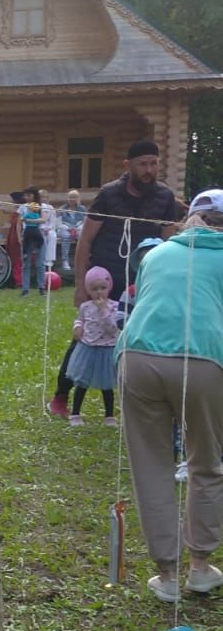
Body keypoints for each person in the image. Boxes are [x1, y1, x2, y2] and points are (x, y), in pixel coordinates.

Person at [117, 189, 223, 602]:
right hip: (203, 360)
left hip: (137, 356)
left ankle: (168, 574)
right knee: (206, 461)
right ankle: (200, 567)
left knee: (152, 466)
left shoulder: (158, 254)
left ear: (191, 218)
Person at [49, 141, 182, 417]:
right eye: (143, 164)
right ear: (128, 166)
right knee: (86, 337)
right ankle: (61, 396)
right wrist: (80, 286)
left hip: (142, 280)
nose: (149, 170)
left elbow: (168, 242)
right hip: (103, 281)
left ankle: (140, 403)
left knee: (143, 340)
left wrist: (164, 282)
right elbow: (85, 241)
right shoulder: (109, 195)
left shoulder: (165, 197)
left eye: (153, 163)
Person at [67, 266, 119, 427]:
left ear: (109, 288)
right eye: (94, 289)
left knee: (107, 385)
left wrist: (103, 310)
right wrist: (77, 327)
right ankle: (75, 413)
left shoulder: (114, 307)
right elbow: (80, 319)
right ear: (88, 290)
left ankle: (109, 415)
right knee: (81, 382)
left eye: (103, 288)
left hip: (107, 349)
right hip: (87, 348)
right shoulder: (86, 306)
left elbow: (112, 328)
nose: (99, 292)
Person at [18, 188, 45, 295]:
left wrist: (29, 220)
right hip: (27, 235)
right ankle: (25, 289)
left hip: (38, 234)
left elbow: (43, 219)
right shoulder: (22, 208)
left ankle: (41, 287)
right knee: (26, 264)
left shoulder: (40, 206)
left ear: (34, 196)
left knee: (40, 264)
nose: (26, 198)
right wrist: (19, 236)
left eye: (29, 195)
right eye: (25, 196)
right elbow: (19, 223)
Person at [56, 190, 85, 269]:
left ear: (78, 198)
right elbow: (58, 222)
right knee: (66, 236)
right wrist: (69, 227)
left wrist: (77, 227)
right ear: (67, 198)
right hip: (65, 229)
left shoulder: (82, 209)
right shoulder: (62, 209)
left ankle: (80, 261)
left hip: (77, 229)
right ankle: (65, 261)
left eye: (74, 197)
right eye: (70, 197)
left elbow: (84, 221)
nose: (72, 199)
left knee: (82, 236)